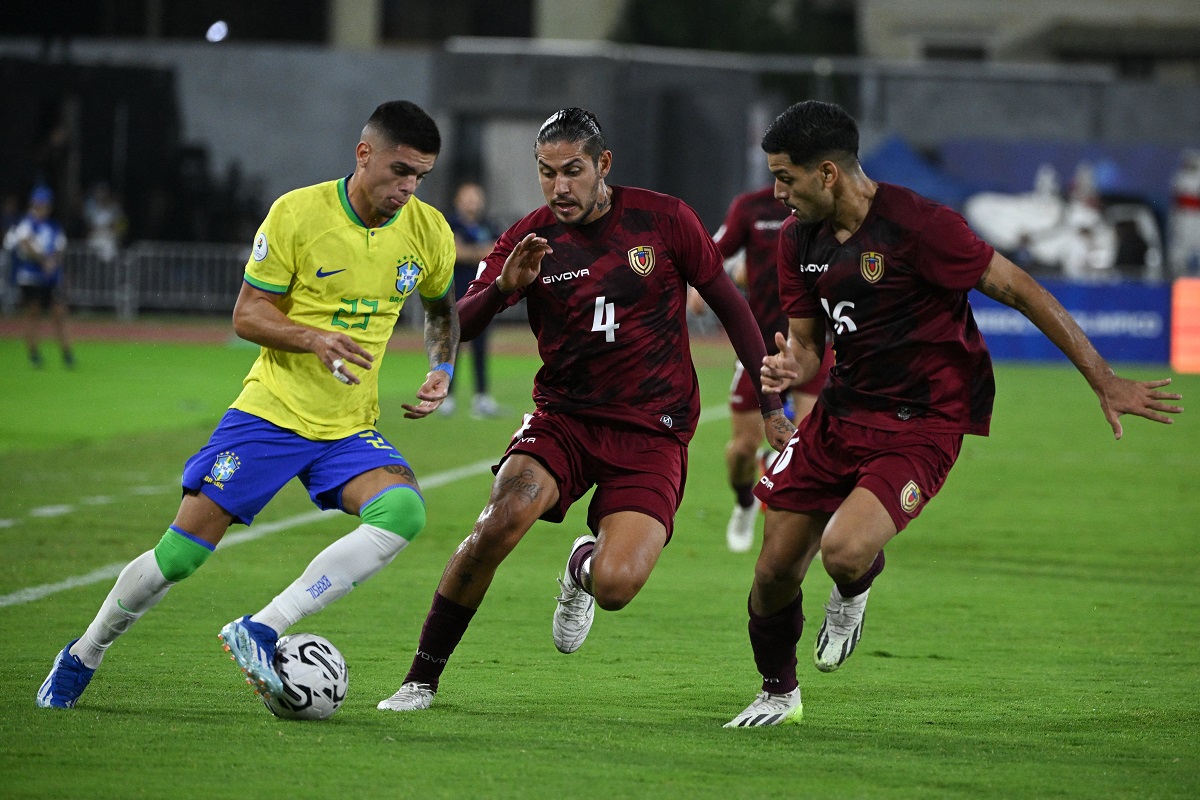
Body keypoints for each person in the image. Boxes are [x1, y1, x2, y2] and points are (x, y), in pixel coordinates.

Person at [725, 100, 1183, 728]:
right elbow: (807, 347)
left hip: (922, 423)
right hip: (840, 414)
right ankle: (779, 693)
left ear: (827, 173)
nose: (777, 193)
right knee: (773, 570)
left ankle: (853, 590)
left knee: (843, 552)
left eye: (786, 177)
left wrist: (1101, 377)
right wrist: (789, 370)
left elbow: (1019, 288)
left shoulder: (920, 226)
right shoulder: (800, 241)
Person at [36, 100, 459, 709]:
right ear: (364, 154)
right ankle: (84, 653)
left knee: (403, 513)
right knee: (178, 557)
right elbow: (247, 314)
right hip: (272, 414)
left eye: (420, 175)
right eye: (399, 171)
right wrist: (313, 337)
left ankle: (261, 628)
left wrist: (441, 368)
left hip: (346, 427)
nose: (408, 188)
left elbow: (443, 308)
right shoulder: (297, 213)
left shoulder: (428, 230)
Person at [377, 107, 795, 713]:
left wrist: (772, 406)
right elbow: (450, 324)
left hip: (654, 429)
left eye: (572, 171)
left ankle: (581, 567)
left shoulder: (665, 220)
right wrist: (501, 288)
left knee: (617, 586)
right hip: (565, 420)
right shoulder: (530, 237)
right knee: (497, 523)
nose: (559, 187)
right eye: (546, 173)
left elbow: (732, 308)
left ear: (603, 165)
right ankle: (420, 680)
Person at [689, 184, 834, 553]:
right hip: (761, 348)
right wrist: (698, 284)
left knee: (807, 439)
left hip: (814, 345)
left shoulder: (828, 206)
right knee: (742, 449)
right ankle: (744, 502)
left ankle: (795, 529)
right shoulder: (750, 208)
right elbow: (712, 250)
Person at [441, 180, 503, 418]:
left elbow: (498, 250)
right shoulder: (450, 223)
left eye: (476, 197)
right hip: (454, 294)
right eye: (468, 197)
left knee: (480, 345)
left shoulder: (489, 224)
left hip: (481, 295)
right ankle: (446, 396)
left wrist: (471, 250)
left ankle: (482, 397)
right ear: (458, 200)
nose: (472, 202)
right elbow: (456, 252)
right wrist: (480, 251)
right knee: (451, 345)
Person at [4, 185, 73, 368]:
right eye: (38, 204)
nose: (41, 208)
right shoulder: (26, 223)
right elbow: (24, 243)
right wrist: (43, 260)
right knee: (33, 313)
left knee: (59, 313)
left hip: (51, 277)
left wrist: (54, 263)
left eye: (44, 205)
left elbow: (60, 248)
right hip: (30, 276)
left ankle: (67, 353)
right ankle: (33, 353)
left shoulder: (53, 226)